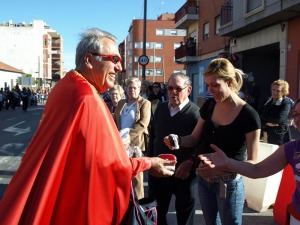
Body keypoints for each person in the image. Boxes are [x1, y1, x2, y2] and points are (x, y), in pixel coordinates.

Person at [0, 28, 175, 225]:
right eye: (114, 59)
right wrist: (149, 163)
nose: (120, 68)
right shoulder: (87, 98)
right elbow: (110, 165)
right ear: (89, 60)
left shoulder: (67, 85)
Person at [164, 58, 261, 225]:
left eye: (215, 85)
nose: (210, 90)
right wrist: (177, 140)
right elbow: (194, 138)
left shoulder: (249, 115)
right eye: (208, 85)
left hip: (229, 185)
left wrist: (223, 165)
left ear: (230, 82)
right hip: (204, 180)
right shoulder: (209, 105)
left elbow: (253, 163)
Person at [198, 98, 300, 225]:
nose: (298, 119)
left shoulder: (248, 113)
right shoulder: (291, 149)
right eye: (296, 114)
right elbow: (256, 170)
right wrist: (227, 162)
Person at [147, 72, 200, 225]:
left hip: (183, 175)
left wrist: (190, 163)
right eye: (169, 88)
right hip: (159, 172)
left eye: (178, 88)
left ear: (188, 90)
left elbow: (201, 144)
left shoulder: (196, 114)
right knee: (156, 216)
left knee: (185, 218)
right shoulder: (161, 108)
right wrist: (150, 162)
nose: (173, 92)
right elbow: (153, 136)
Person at [113, 77, 151, 200]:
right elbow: (114, 121)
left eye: (135, 87)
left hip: (135, 145)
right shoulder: (121, 103)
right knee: (121, 175)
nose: (132, 90)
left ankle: (138, 208)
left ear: (139, 89)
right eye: (130, 87)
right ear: (126, 89)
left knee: (136, 179)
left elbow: (143, 124)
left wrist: (127, 137)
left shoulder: (145, 103)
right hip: (120, 145)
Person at [260, 79, 291, 145]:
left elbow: (278, 119)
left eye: (278, 91)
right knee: (266, 152)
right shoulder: (267, 101)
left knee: (277, 153)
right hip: (266, 132)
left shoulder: (285, 103)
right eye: (273, 90)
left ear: (283, 92)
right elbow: (260, 115)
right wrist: (267, 122)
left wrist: (264, 118)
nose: (275, 92)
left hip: (279, 135)